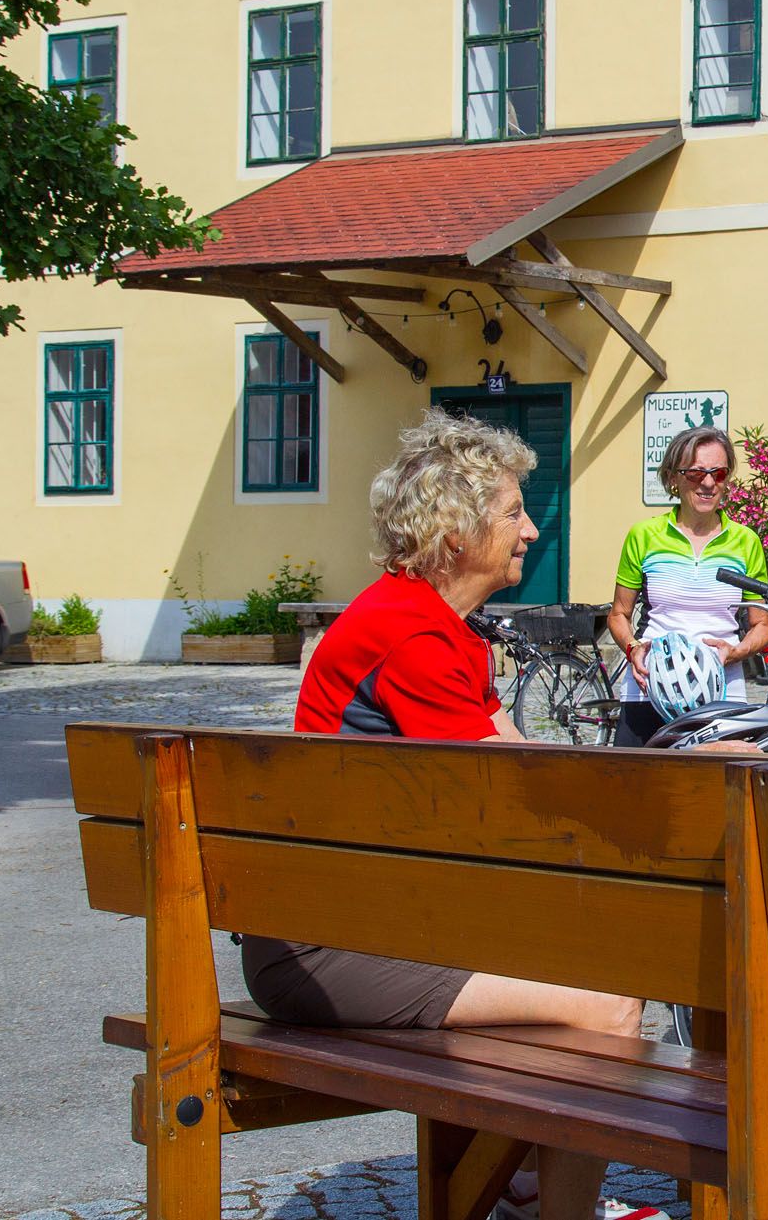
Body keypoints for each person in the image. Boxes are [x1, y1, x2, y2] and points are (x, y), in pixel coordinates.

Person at [245, 409, 656, 1220]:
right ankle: (556, 1209)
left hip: (358, 919)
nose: (532, 529)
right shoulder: (410, 636)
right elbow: (516, 804)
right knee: (608, 1004)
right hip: (328, 947)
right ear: (457, 530)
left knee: (582, 960)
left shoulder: (436, 628)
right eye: (512, 511)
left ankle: (521, 1181)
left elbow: (525, 768)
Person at [606, 425, 768, 745]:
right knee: (635, 789)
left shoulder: (745, 541)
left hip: (721, 690)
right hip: (650, 688)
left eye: (719, 473)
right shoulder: (644, 535)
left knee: (716, 793)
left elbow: (762, 624)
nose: (709, 483)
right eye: (696, 473)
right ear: (673, 478)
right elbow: (619, 614)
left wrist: (736, 652)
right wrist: (633, 648)